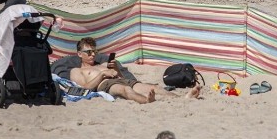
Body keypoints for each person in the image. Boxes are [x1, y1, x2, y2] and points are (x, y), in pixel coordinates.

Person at [69, 37, 201, 104]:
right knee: (125, 90)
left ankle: (183, 98)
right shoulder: (76, 71)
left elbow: (120, 77)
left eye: (94, 51)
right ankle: (147, 102)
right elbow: (85, 88)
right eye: (88, 52)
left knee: (154, 88)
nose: (92, 54)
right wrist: (103, 74)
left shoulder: (103, 63)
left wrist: (115, 70)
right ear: (80, 54)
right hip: (105, 85)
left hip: (120, 80)